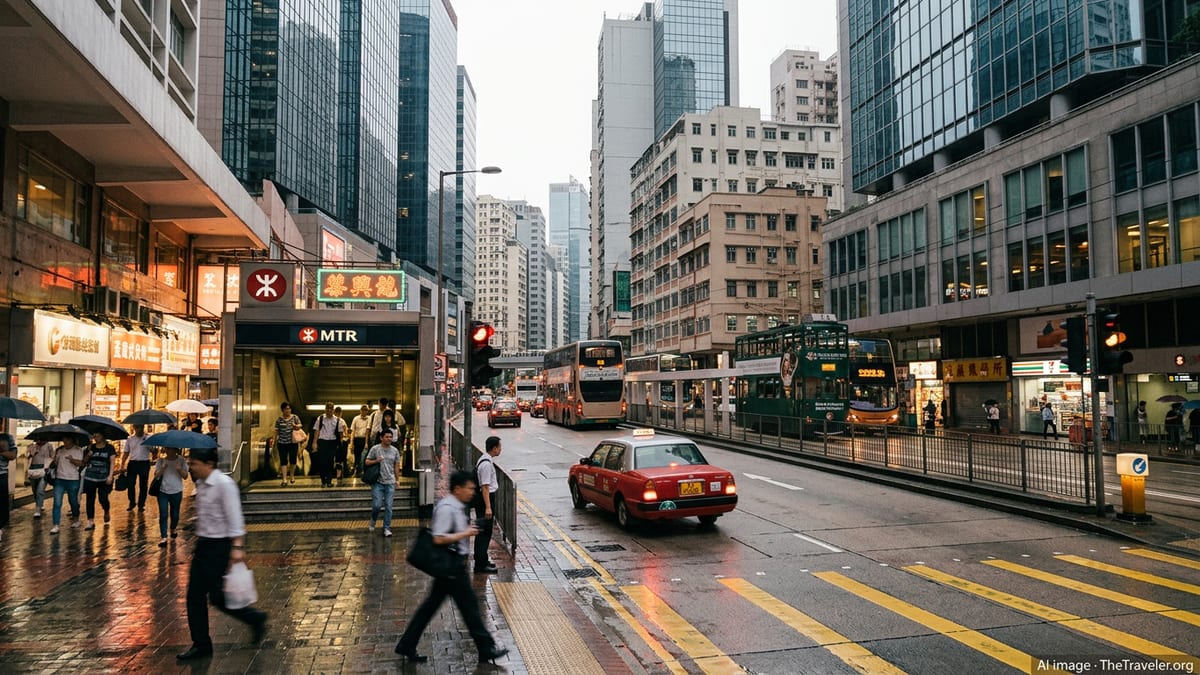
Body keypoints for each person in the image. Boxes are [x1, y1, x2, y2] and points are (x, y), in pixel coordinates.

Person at [393, 470, 509, 665]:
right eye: (470, 488)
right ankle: (485, 648)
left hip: (453, 566)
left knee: (435, 607)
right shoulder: (447, 507)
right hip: (451, 566)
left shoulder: (457, 505)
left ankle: (407, 644)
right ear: (458, 489)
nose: (473, 492)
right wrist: (465, 533)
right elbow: (438, 538)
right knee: (469, 608)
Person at [177, 446, 268, 661]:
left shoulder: (224, 485)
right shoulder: (200, 485)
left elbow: (235, 518)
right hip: (203, 545)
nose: (191, 468)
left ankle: (255, 618)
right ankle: (201, 644)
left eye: (194, 464)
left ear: (209, 464)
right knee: (195, 596)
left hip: (220, 547)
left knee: (217, 597)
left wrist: (237, 548)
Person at [364, 429, 401, 536]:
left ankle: (387, 528)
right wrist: (376, 461)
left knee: (389, 506)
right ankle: (373, 520)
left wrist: (397, 480)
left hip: (390, 482)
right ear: (381, 438)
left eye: (391, 437)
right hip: (377, 482)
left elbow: (397, 466)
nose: (389, 439)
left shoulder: (395, 451)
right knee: (377, 505)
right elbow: (366, 462)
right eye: (387, 437)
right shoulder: (375, 449)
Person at [473, 437, 502, 574]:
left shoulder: (485, 460)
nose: (500, 449)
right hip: (486, 500)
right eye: (499, 447)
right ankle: (480, 564)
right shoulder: (486, 464)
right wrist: (488, 507)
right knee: (484, 533)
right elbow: (485, 487)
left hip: (486, 499)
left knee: (486, 532)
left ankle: (483, 560)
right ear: (494, 448)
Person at [81, 431, 118, 529]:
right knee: (90, 499)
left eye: (97, 435)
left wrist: (110, 475)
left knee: (103, 498)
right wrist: (88, 455)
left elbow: (112, 462)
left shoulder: (109, 448)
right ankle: (90, 520)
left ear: (103, 436)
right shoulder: (91, 447)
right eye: (94, 435)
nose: (95, 437)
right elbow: (83, 462)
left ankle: (106, 510)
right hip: (90, 477)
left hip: (104, 478)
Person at [50, 434, 86, 534]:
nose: (64, 441)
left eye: (67, 439)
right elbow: (55, 462)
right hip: (59, 479)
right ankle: (56, 524)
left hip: (73, 479)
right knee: (57, 502)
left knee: (73, 500)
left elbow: (81, 463)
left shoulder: (78, 450)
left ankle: (76, 518)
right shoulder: (59, 450)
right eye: (63, 439)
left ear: (71, 440)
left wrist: (72, 460)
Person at [154, 445, 189, 546]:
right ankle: (163, 537)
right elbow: (156, 475)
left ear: (175, 450)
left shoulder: (181, 460)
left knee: (175, 514)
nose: (168, 451)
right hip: (162, 491)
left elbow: (186, 476)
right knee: (163, 513)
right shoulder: (161, 461)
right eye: (167, 448)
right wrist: (163, 468)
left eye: (170, 449)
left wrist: (179, 469)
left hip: (176, 491)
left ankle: (173, 528)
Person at [309, 402, 345, 488]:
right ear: (325, 409)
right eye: (327, 408)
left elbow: (340, 433)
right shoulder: (320, 418)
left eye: (331, 409)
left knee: (330, 461)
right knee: (322, 461)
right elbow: (316, 431)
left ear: (333, 410)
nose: (329, 410)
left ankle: (329, 480)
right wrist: (314, 442)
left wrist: (340, 444)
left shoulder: (337, 420)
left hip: (332, 442)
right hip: (322, 441)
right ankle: (323, 480)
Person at [123, 424, 151, 513]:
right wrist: (122, 463)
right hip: (133, 463)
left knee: (143, 485)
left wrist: (150, 446)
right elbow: (126, 452)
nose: (140, 429)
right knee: (130, 484)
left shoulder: (148, 438)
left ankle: (141, 504)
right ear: (134, 428)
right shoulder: (130, 439)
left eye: (141, 427)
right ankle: (132, 502)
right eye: (138, 427)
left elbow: (154, 451)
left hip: (144, 462)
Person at [274, 402, 303, 486]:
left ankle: (292, 475)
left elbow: (300, 425)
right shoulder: (279, 419)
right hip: (282, 443)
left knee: (293, 459)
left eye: (289, 408)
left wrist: (297, 426)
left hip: (292, 442)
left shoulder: (295, 417)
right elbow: (276, 430)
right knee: (283, 460)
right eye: (286, 409)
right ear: (282, 410)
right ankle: (284, 479)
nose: (288, 410)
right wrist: (275, 440)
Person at [26, 438, 55, 518]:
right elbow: (26, 457)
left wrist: (49, 467)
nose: (39, 440)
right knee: (34, 490)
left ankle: (37, 509)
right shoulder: (31, 446)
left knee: (40, 490)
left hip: (43, 469)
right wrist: (32, 454)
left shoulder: (49, 446)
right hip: (32, 470)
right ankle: (39, 503)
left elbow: (53, 457)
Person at [0, 433, 15, 542]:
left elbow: (12, 455)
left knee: (2, 504)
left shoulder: (7, 438)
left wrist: (2, 450)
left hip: (1, 475)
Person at [350, 404, 372, 477]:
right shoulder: (356, 418)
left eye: (366, 410)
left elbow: (367, 431)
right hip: (357, 439)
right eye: (363, 410)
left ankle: (364, 472)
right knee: (357, 456)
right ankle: (357, 472)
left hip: (365, 439)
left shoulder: (369, 418)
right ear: (360, 410)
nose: (364, 412)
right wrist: (351, 443)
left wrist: (366, 443)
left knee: (365, 456)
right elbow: (353, 431)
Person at [333, 406, 349, 481]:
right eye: (337, 413)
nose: (339, 414)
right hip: (334, 441)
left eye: (340, 413)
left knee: (340, 459)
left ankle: (339, 473)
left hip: (342, 441)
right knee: (336, 459)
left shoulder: (342, 421)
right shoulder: (333, 420)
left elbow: (345, 431)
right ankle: (337, 473)